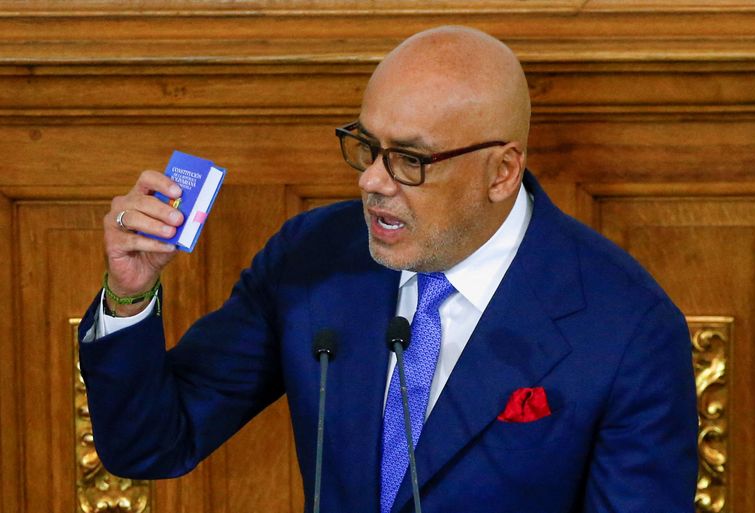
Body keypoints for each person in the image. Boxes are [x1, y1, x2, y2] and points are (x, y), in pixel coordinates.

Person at [79, 26, 698, 513]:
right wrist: (130, 295)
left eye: (409, 159)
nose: (371, 181)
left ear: (501, 172)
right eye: (368, 147)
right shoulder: (314, 258)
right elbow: (153, 442)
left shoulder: (627, 331)